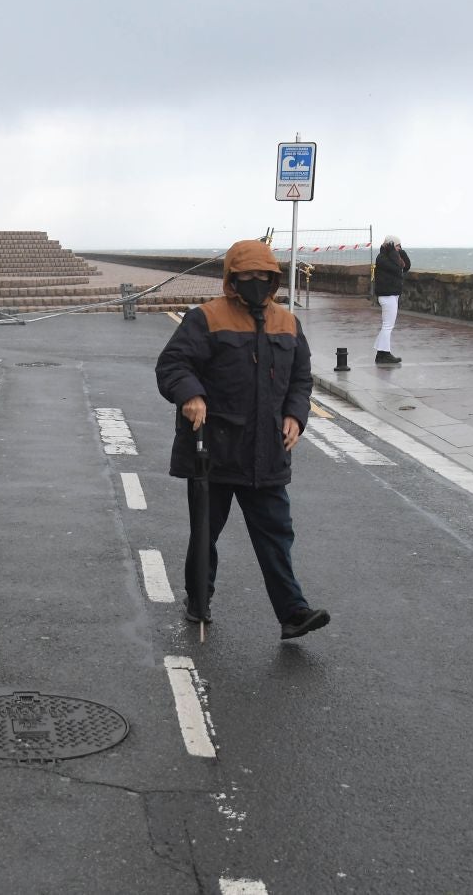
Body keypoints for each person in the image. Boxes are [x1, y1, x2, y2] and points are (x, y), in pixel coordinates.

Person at [155, 239, 331, 640]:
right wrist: (191, 393)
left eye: (263, 276)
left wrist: (295, 416)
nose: (255, 283)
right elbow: (173, 364)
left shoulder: (288, 324)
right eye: (247, 276)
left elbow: (301, 380)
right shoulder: (205, 318)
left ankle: (293, 612)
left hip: (267, 452)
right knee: (205, 532)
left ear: (274, 279)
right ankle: (199, 601)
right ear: (232, 278)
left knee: (276, 536)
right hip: (213, 450)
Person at [372, 235, 410, 365]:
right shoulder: (382, 258)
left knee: (388, 325)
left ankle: (381, 353)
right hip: (387, 296)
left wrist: (401, 251)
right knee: (388, 326)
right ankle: (384, 354)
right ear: (391, 246)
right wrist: (393, 251)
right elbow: (396, 269)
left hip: (392, 295)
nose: (399, 249)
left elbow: (406, 266)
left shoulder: (392, 256)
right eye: (398, 246)